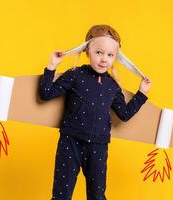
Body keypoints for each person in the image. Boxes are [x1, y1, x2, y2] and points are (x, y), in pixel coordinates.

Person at [39, 24, 151, 200]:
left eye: (110, 55)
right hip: (70, 142)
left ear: (116, 58)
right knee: (61, 195)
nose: (104, 59)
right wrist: (52, 66)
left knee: (97, 196)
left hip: (98, 147)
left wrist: (141, 93)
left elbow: (125, 114)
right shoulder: (75, 75)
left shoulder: (113, 87)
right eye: (99, 52)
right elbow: (46, 93)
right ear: (87, 51)